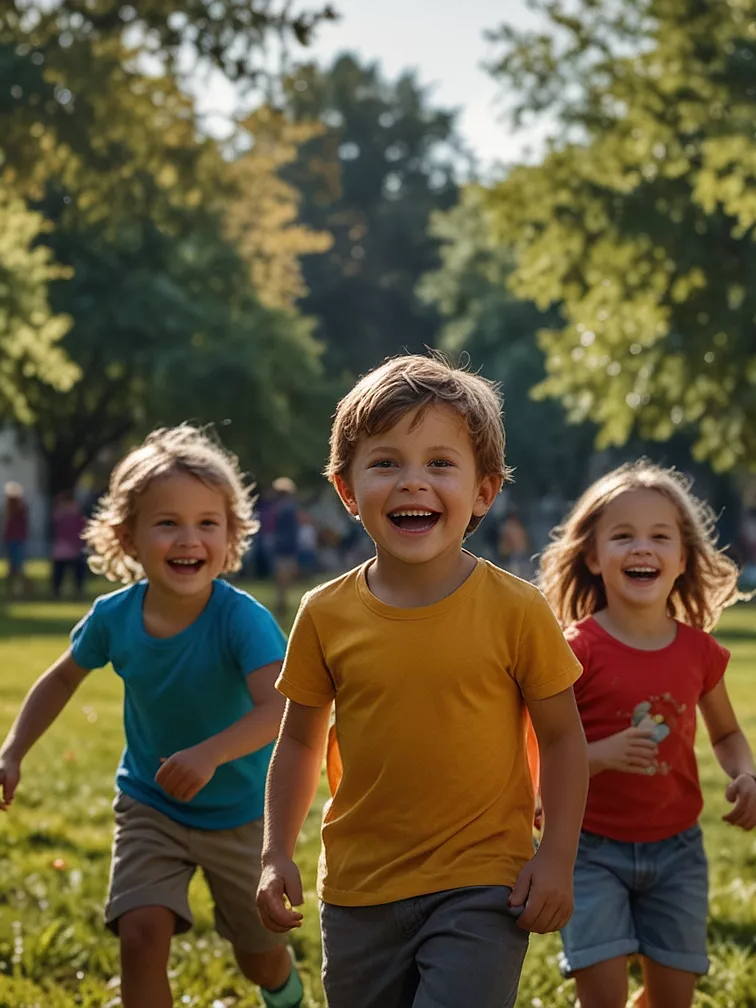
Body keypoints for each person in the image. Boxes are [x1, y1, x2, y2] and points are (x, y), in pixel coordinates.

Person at [255, 355, 589, 1008]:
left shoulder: (517, 610)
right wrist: (275, 851)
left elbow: (562, 739)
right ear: (347, 491)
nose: (414, 483)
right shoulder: (325, 613)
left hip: (482, 883)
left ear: (484, 492)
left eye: (440, 464)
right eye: (386, 463)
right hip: (359, 890)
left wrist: (556, 857)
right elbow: (297, 743)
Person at [0, 426, 304, 1008]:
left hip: (241, 815)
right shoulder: (113, 617)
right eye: (167, 522)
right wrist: (10, 753)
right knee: (140, 933)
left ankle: (284, 993)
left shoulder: (240, 619)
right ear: (127, 537)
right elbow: (60, 679)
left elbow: (280, 707)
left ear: (230, 536)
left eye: (208, 523)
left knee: (258, 954)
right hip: (151, 805)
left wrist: (210, 754)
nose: (189, 538)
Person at [535, 462, 756, 1008]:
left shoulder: (699, 652)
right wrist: (600, 754)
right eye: (623, 536)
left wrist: (746, 774)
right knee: (603, 996)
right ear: (592, 557)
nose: (643, 549)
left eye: (660, 537)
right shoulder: (576, 651)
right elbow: (541, 751)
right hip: (587, 849)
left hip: (677, 851)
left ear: (682, 559)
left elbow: (727, 733)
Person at [267, 478, 301, 619]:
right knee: (285, 577)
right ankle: (282, 604)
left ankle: (282, 603)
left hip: (280, 546)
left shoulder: (278, 508)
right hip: (288, 547)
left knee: (282, 578)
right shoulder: (289, 508)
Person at [50, 488, 89, 600]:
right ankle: (78, 592)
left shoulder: (59, 515)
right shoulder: (76, 514)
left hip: (62, 549)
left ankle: (57, 592)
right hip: (73, 548)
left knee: (60, 573)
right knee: (76, 573)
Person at [2, 481, 32, 599]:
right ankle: (13, 592)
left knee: (18, 568)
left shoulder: (19, 507)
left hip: (17, 540)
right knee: (13, 568)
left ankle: (23, 591)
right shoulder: (13, 507)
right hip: (14, 539)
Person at [499, 507, 533, 580]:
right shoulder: (508, 527)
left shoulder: (518, 526)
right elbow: (506, 542)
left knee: (524, 575)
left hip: (521, 554)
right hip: (514, 555)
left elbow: (525, 540)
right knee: (516, 576)